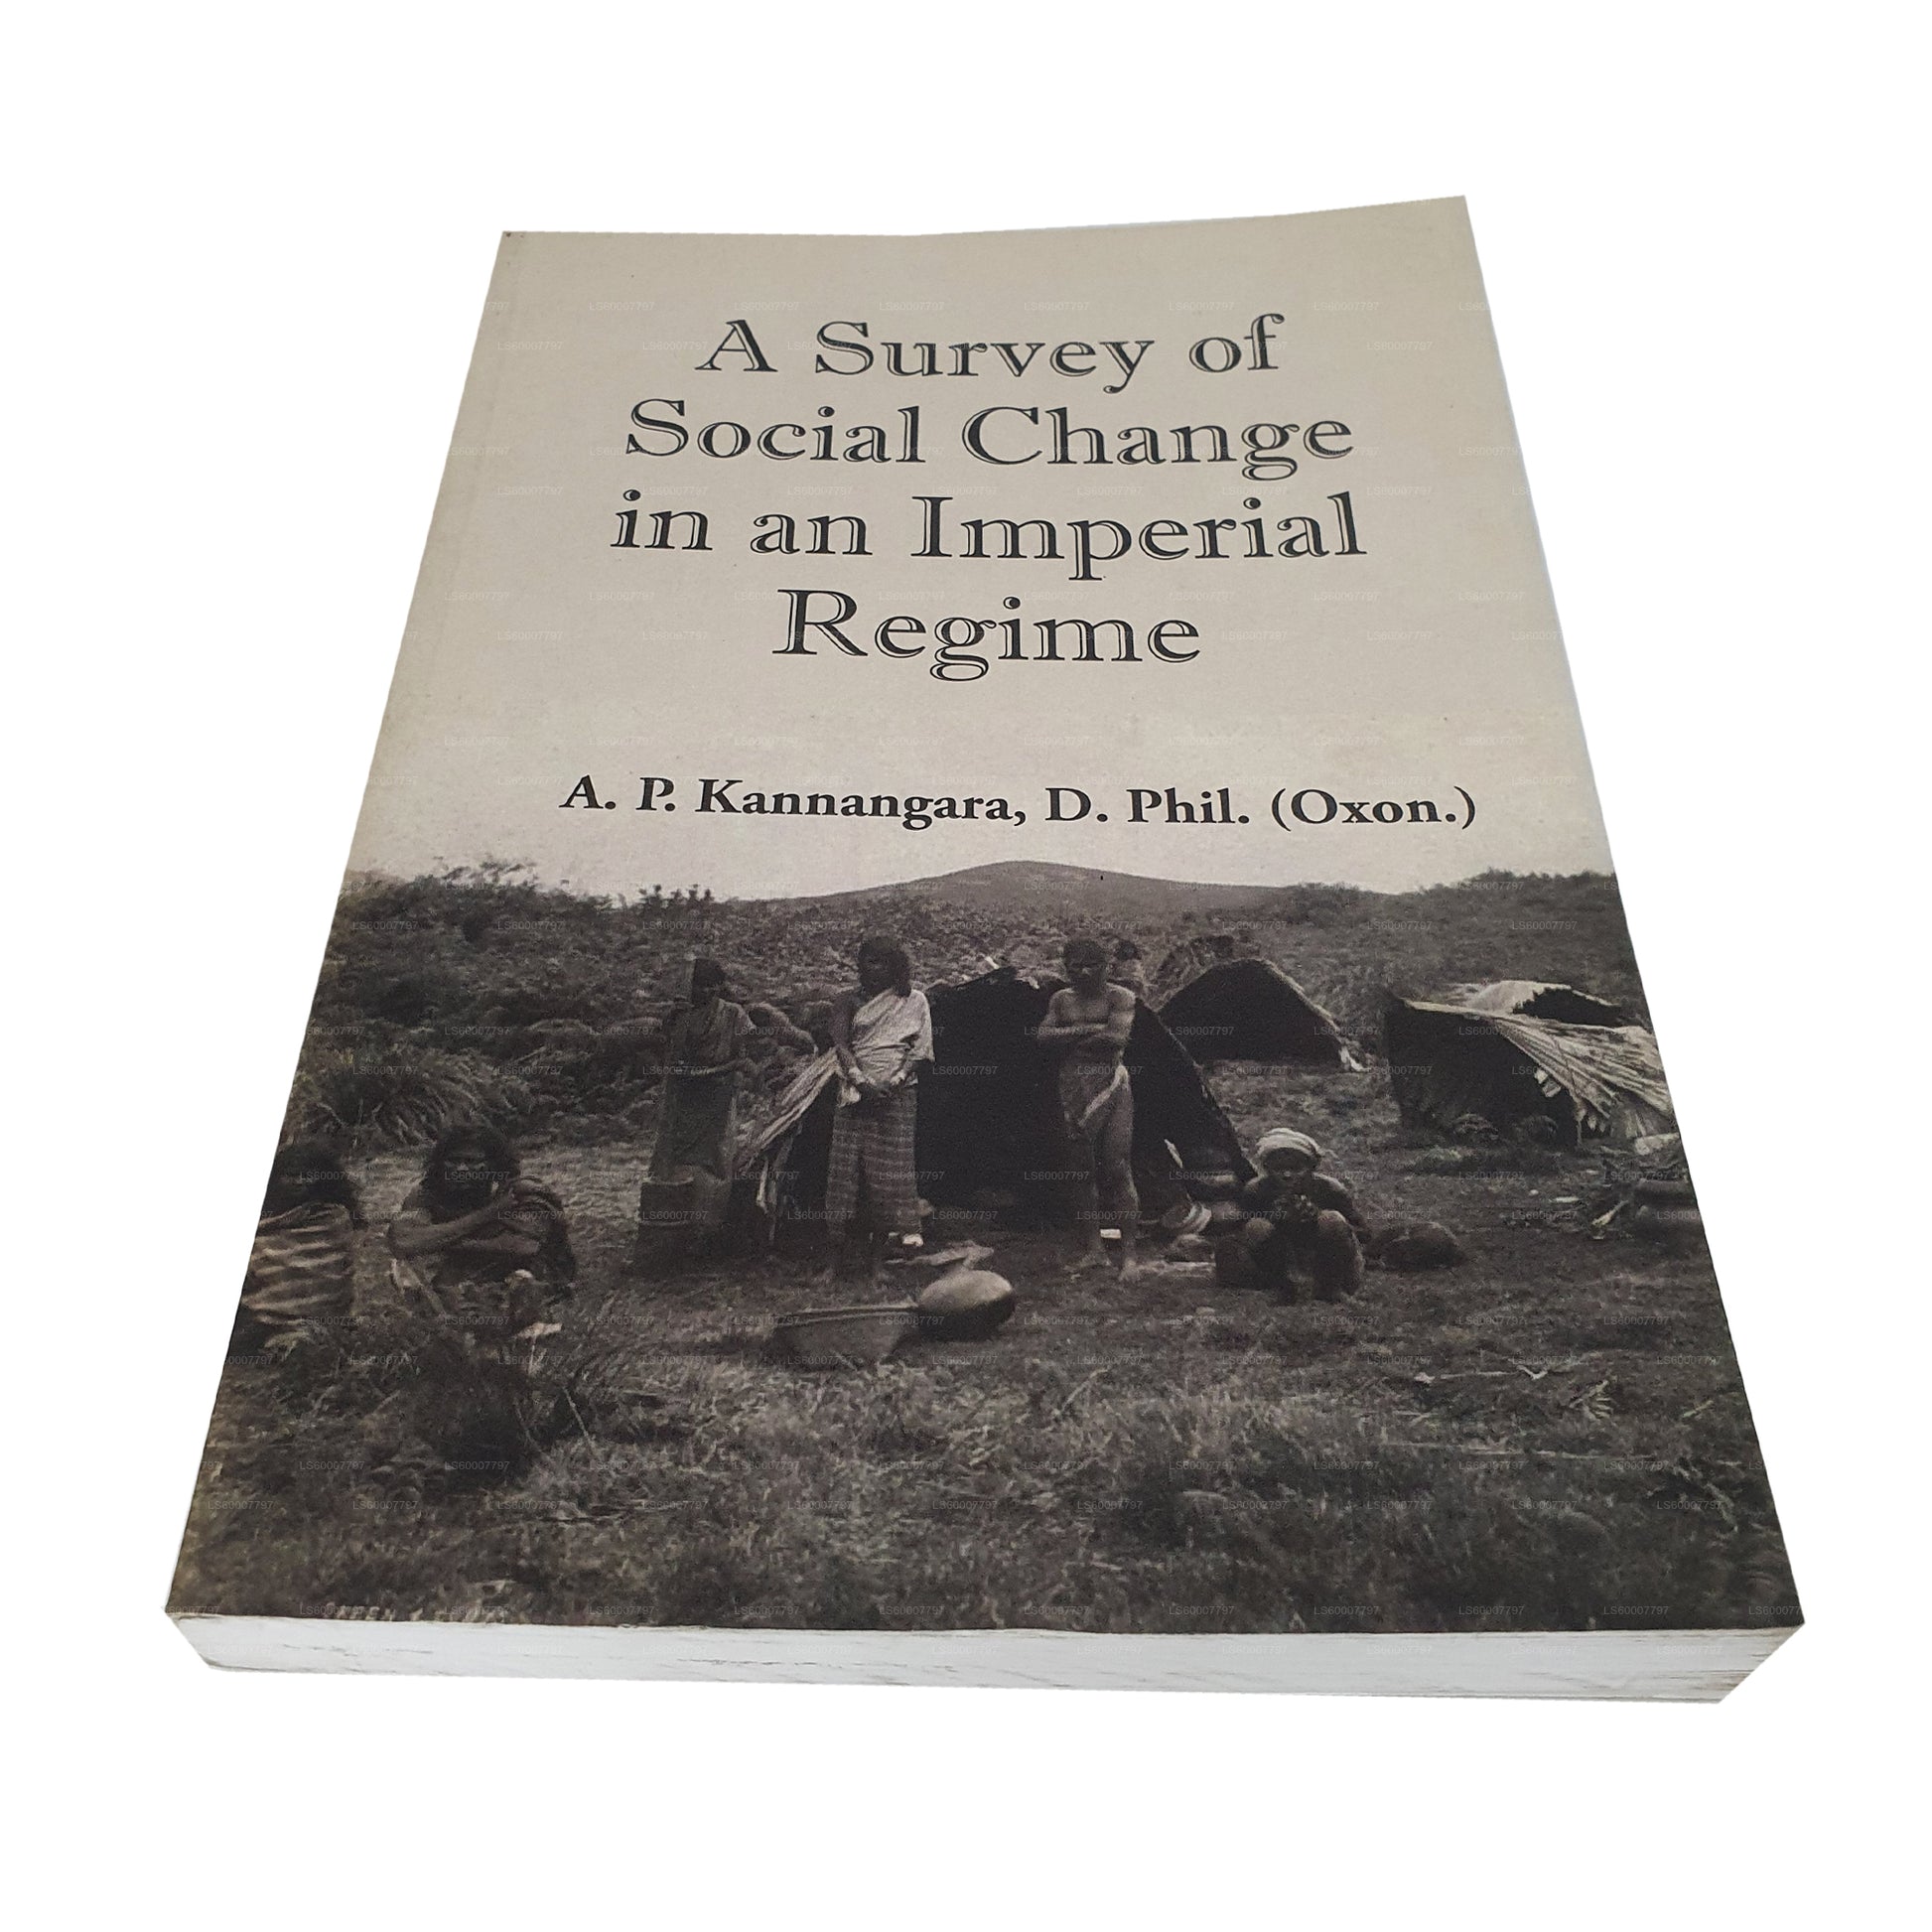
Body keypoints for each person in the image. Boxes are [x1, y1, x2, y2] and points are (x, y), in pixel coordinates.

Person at [643, 958, 808, 1249]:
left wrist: (770, 1052)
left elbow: (750, 1049)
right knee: (678, 1158)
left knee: (714, 1158)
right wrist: (673, 1022)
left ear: (720, 986)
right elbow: (667, 1051)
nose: (706, 992)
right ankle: (674, 1223)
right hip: (684, 1097)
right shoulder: (679, 1016)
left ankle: (708, 1226)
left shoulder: (732, 1014)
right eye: (700, 986)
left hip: (717, 1096)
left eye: (712, 986)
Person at [386, 1124, 575, 1340]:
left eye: (472, 1162)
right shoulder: (426, 1195)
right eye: (453, 1161)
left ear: (495, 1164)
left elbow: (523, 1247)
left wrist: (439, 1241)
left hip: (522, 1275)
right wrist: (486, 1215)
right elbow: (402, 1241)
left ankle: (522, 1321)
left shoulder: (522, 1192)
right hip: (463, 1280)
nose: (461, 1169)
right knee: (409, 1269)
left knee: (523, 1277)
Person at [823, 934, 932, 1281]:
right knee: (844, 1176)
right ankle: (834, 1263)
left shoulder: (914, 1001)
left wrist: (894, 1081)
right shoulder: (846, 1000)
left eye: (880, 963)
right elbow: (842, 1046)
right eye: (867, 961)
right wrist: (861, 1082)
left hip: (897, 1097)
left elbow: (920, 1050)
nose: (871, 969)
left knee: (887, 1178)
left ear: (895, 966)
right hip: (855, 1095)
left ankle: (877, 1262)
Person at [1037, 938, 1140, 1277]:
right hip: (1073, 1086)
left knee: (1117, 1165)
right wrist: (1092, 1029)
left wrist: (1070, 1036)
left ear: (1106, 966)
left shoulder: (1120, 997)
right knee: (1081, 1172)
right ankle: (1095, 1249)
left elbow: (1116, 1039)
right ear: (1066, 969)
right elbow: (1042, 1037)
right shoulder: (1061, 999)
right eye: (1075, 967)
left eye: (1091, 965)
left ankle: (1130, 1257)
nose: (1083, 972)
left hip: (1111, 1084)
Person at [232, 1141, 362, 1354]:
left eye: (308, 1175)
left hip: (302, 1314)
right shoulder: (268, 1216)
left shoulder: (332, 1218)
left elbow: (324, 1273)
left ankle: (289, 1337)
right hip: (263, 1310)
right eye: (291, 1175)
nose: (299, 1181)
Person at [1215, 1128, 1367, 1302]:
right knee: (1257, 1226)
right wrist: (1273, 1218)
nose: (1287, 1175)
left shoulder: (1329, 1189)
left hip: (1323, 1260)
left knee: (1331, 1220)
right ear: (1266, 1168)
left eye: (1296, 1169)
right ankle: (1281, 1285)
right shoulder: (1256, 1190)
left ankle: (1331, 1288)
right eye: (1278, 1169)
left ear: (1311, 1168)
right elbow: (1237, 1233)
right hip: (1278, 1256)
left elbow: (1364, 1233)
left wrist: (1317, 1218)